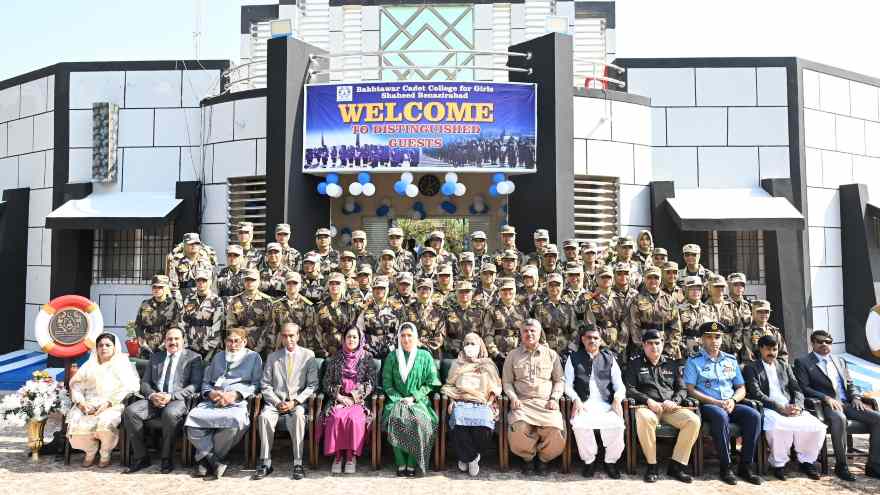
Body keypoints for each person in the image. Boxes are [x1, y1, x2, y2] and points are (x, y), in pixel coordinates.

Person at [794, 329, 880, 481]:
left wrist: (855, 397)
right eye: (820, 341)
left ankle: (873, 465)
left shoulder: (840, 361)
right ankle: (842, 466)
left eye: (828, 342)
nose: (824, 344)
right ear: (812, 343)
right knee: (839, 419)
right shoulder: (803, 362)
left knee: (878, 418)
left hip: (847, 403)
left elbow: (850, 383)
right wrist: (826, 398)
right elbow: (804, 387)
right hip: (824, 405)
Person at [685, 321, 762, 485]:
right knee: (720, 416)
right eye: (709, 337)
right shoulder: (694, 361)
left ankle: (745, 466)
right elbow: (691, 390)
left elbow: (741, 388)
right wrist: (716, 402)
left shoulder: (730, 360)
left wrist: (733, 400)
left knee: (754, 416)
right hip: (708, 405)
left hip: (730, 403)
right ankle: (725, 467)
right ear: (701, 340)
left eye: (718, 337)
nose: (714, 341)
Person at [185, 328, 263, 480]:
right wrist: (210, 393)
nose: (233, 345)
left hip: (237, 401)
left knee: (232, 425)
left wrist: (236, 394)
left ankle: (204, 460)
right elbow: (206, 383)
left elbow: (257, 384)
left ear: (244, 342)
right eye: (229, 341)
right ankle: (214, 460)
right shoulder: (218, 356)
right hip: (213, 401)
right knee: (192, 423)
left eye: (237, 341)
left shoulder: (254, 357)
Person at [123, 328, 204, 474]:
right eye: (169, 339)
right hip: (154, 399)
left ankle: (166, 458)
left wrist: (171, 396)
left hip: (177, 400)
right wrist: (153, 395)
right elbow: (145, 383)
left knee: (170, 414)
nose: (173, 342)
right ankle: (141, 457)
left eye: (176, 339)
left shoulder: (194, 358)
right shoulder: (156, 357)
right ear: (164, 341)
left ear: (183, 340)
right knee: (131, 411)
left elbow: (195, 385)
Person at [744, 335, 824, 481]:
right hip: (769, 407)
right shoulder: (751, 368)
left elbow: (797, 389)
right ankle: (779, 464)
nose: (772, 353)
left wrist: (798, 406)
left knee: (816, 426)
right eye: (768, 349)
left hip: (790, 406)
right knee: (778, 426)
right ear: (760, 349)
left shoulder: (784, 365)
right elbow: (756, 394)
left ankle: (806, 462)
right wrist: (779, 408)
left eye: (775, 349)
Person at [624, 329, 699, 483]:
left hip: (669, 407)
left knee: (693, 421)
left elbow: (683, 388)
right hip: (647, 407)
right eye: (650, 343)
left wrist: (675, 401)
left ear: (663, 344)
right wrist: (647, 401)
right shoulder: (635, 364)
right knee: (646, 419)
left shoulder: (671, 364)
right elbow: (629, 388)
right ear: (644, 345)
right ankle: (652, 466)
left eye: (657, 343)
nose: (654, 347)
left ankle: (676, 465)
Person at [253, 323, 318, 481]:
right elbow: (265, 385)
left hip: (297, 403)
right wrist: (276, 402)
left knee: (299, 416)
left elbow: (313, 385)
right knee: (264, 417)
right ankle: (266, 462)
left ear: (298, 336)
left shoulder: (308, 355)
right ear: (280, 337)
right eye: (284, 336)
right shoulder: (273, 357)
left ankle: (298, 463)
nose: (288, 339)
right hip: (275, 403)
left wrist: (295, 401)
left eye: (291, 335)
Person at [67, 333, 140, 468]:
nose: (104, 348)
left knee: (105, 423)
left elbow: (131, 386)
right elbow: (75, 386)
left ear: (114, 347)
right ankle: (90, 452)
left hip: (113, 403)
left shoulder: (122, 364)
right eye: (100, 345)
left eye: (108, 345)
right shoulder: (89, 365)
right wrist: (81, 403)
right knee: (78, 423)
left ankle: (105, 453)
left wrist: (109, 403)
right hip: (89, 403)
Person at [503, 319, 566, 476]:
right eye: (525, 331)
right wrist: (512, 397)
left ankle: (543, 459)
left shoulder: (551, 355)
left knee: (555, 429)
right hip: (522, 403)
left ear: (539, 334)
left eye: (533, 331)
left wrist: (554, 398)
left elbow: (559, 380)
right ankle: (528, 459)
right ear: (521, 334)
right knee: (519, 426)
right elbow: (507, 382)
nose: (529, 334)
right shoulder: (512, 355)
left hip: (546, 404)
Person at [565, 325, 626, 479]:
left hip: (606, 403)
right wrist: (576, 399)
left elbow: (619, 384)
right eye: (589, 337)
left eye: (596, 338)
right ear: (583, 339)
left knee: (617, 424)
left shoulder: (609, 358)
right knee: (579, 423)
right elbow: (567, 384)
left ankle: (610, 461)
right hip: (584, 403)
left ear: (600, 340)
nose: (592, 340)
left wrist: (617, 399)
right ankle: (589, 461)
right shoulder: (573, 358)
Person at [381, 322, 441, 477]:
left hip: (418, 401)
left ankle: (412, 462)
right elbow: (387, 383)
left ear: (416, 338)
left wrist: (414, 397)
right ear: (398, 338)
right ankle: (400, 461)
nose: (406, 339)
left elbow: (432, 382)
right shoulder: (392, 356)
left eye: (409, 336)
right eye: (403, 336)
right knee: (397, 418)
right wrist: (400, 399)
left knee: (418, 420)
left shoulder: (425, 356)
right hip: (396, 401)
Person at [318, 327, 377, 475]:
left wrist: (353, 397)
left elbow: (371, 382)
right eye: (349, 337)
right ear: (343, 339)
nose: (351, 340)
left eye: (355, 337)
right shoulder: (336, 357)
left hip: (358, 401)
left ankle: (351, 457)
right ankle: (338, 457)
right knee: (336, 417)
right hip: (338, 400)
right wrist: (339, 397)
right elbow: (326, 382)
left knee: (354, 419)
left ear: (360, 339)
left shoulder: (367, 358)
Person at [441, 333, 502, 477]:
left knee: (484, 424)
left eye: (473, 344)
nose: (470, 347)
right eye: (467, 344)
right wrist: (452, 401)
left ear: (480, 346)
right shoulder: (457, 363)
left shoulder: (488, 364)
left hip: (482, 402)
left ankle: (465, 457)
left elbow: (496, 386)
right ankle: (471, 458)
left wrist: (490, 402)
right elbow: (449, 385)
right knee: (459, 421)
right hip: (461, 400)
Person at [627, 266, 682, 360]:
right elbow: (634, 326)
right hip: (644, 346)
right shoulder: (637, 300)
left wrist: (669, 348)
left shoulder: (669, 300)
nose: (653, 280)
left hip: (666, 347)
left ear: (660, 279)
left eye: (656, 278)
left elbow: (676, 327)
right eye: (649, 277)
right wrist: (643, 347)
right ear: (644, 279)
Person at [226, 268, 274, 357]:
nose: (249, 282)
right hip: (240, 347)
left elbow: (269, 327)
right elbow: (231, 325)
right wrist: (240, 342)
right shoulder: (235, 300)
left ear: (258, 281)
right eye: (247, 279)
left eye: (253, 280)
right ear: (243, 281)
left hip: (263, 347)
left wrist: (260, 346)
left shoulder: (267, 301)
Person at [180, 269, 225, 362]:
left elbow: (217, 326)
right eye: (198, 280)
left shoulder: (216, 301)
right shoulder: (188, 299)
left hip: (209, 350)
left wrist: (207, 347)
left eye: (204, 281)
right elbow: (183, 323)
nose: (201, 283)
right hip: (190, 347)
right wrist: (185, 344)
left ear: (210, 282)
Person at [134, 275, 181, 359]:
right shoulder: (145, 304)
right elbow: (138, 325)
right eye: (154, 287)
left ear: (165, 288)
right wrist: (143, 343)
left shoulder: (173, 305)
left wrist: (164, 345)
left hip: (166, 345)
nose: (156, 289)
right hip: (147, 346)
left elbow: (175, 327)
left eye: (160, 287)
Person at [315, 272, 359, 358]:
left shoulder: (351, 305)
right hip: (327, 350)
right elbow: (317, 330)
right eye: (331, 283)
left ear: (343, 285)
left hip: (347, 349)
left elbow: (354, 328)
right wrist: (322, 350)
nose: (334, 286)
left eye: (338, 283)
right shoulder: (321, 306)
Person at [406, 278, 446, 359]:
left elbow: (440, 337)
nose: (423, 291)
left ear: (431, 291)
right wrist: (413, 344)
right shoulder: (408, 309)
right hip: (412, 350)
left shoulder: (439, 311)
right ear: (416, 291)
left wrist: (422, 345)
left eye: (426, 288)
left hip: (433, 353)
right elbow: (403, 331)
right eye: (420, 288)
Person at [742, 300, 788, 364]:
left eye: (767, 312)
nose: (764, 314)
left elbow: (783, 354)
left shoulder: (774, 331)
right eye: (760, 312)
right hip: (755, 370)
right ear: (753, 312)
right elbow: (748, 357)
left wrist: (779, 367)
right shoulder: (747, 332)